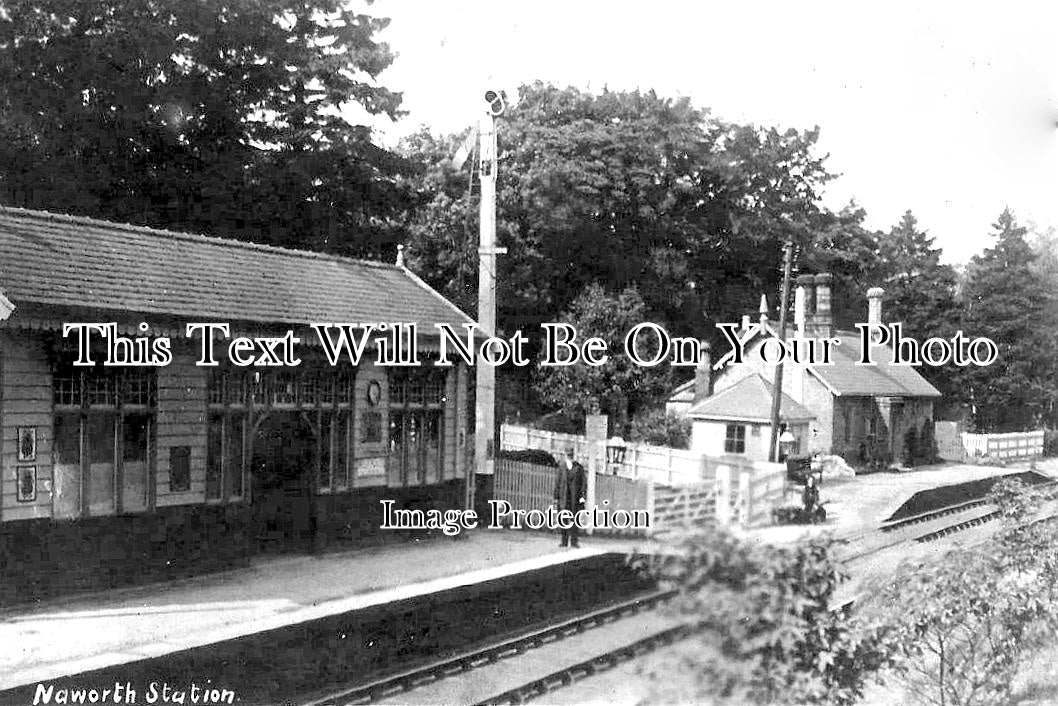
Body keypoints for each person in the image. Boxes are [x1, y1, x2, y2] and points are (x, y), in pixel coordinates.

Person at [553, 446, 586, 548]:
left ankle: (574, 542)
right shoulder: (561, 468)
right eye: (568, 455)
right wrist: (556, 497)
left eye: (571, 455)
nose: (569, 456)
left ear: (573, 455)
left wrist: (582, 496)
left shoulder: (579, 468)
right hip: (564, 498)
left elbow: (583, 483)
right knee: (563, 520)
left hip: (575, 498)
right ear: (565, 455)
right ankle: (564, 541)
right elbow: (557, 483)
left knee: (574, 520)